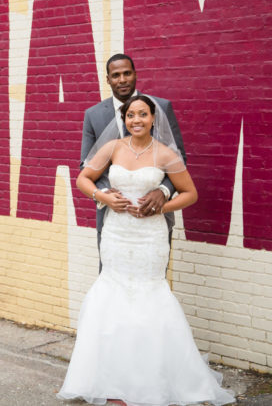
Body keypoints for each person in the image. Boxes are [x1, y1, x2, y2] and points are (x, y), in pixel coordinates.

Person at [58, 95, 235, 406]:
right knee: (111, 300)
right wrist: (104, 196)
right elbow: (83, 178)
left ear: (154, 118)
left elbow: (190, 193)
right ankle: (111, 382)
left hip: (149, 239)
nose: (135, 120)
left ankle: (153, 381)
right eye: (130, 115)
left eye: (142, 114)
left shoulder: (165, 154)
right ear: (123, 120)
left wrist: (162, 207)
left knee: (149, 300)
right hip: (116, 235)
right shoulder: (112, 148)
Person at [80, 54, 185, 266]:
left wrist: (164, 191)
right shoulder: (93, 115)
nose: (122, 79)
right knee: (110, 280)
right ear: (108, 79)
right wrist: (104, 195)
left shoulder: (161, 108)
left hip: (152, 220)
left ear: (135, 75)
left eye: (127, 73)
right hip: (113, 219)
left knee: (152, 281)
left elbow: (179, 157)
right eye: (116, 75)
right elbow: (86, 163)